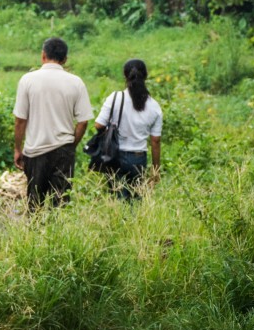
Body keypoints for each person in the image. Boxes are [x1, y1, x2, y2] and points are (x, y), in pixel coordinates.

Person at [13, 37, 94, 209]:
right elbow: (83, 122)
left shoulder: (27, 80)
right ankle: (59, 235)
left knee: (35, 204)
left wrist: (18, 149)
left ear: (43, 56)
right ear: (65, 59)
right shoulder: (76, 82)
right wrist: (71, 144)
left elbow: (20, 120)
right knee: (61, 204)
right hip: (63, 150)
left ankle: (35, 234)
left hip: (35, 152)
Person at [94, 58, 162, 201]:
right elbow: (155, 141)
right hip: (138, 158)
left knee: (116, 197)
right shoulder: (154, 106)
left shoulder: (115, 98)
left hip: (114, 155)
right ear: (146, 76)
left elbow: (98, 125)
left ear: (125, 76)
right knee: (136, 199)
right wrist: (155, 171)